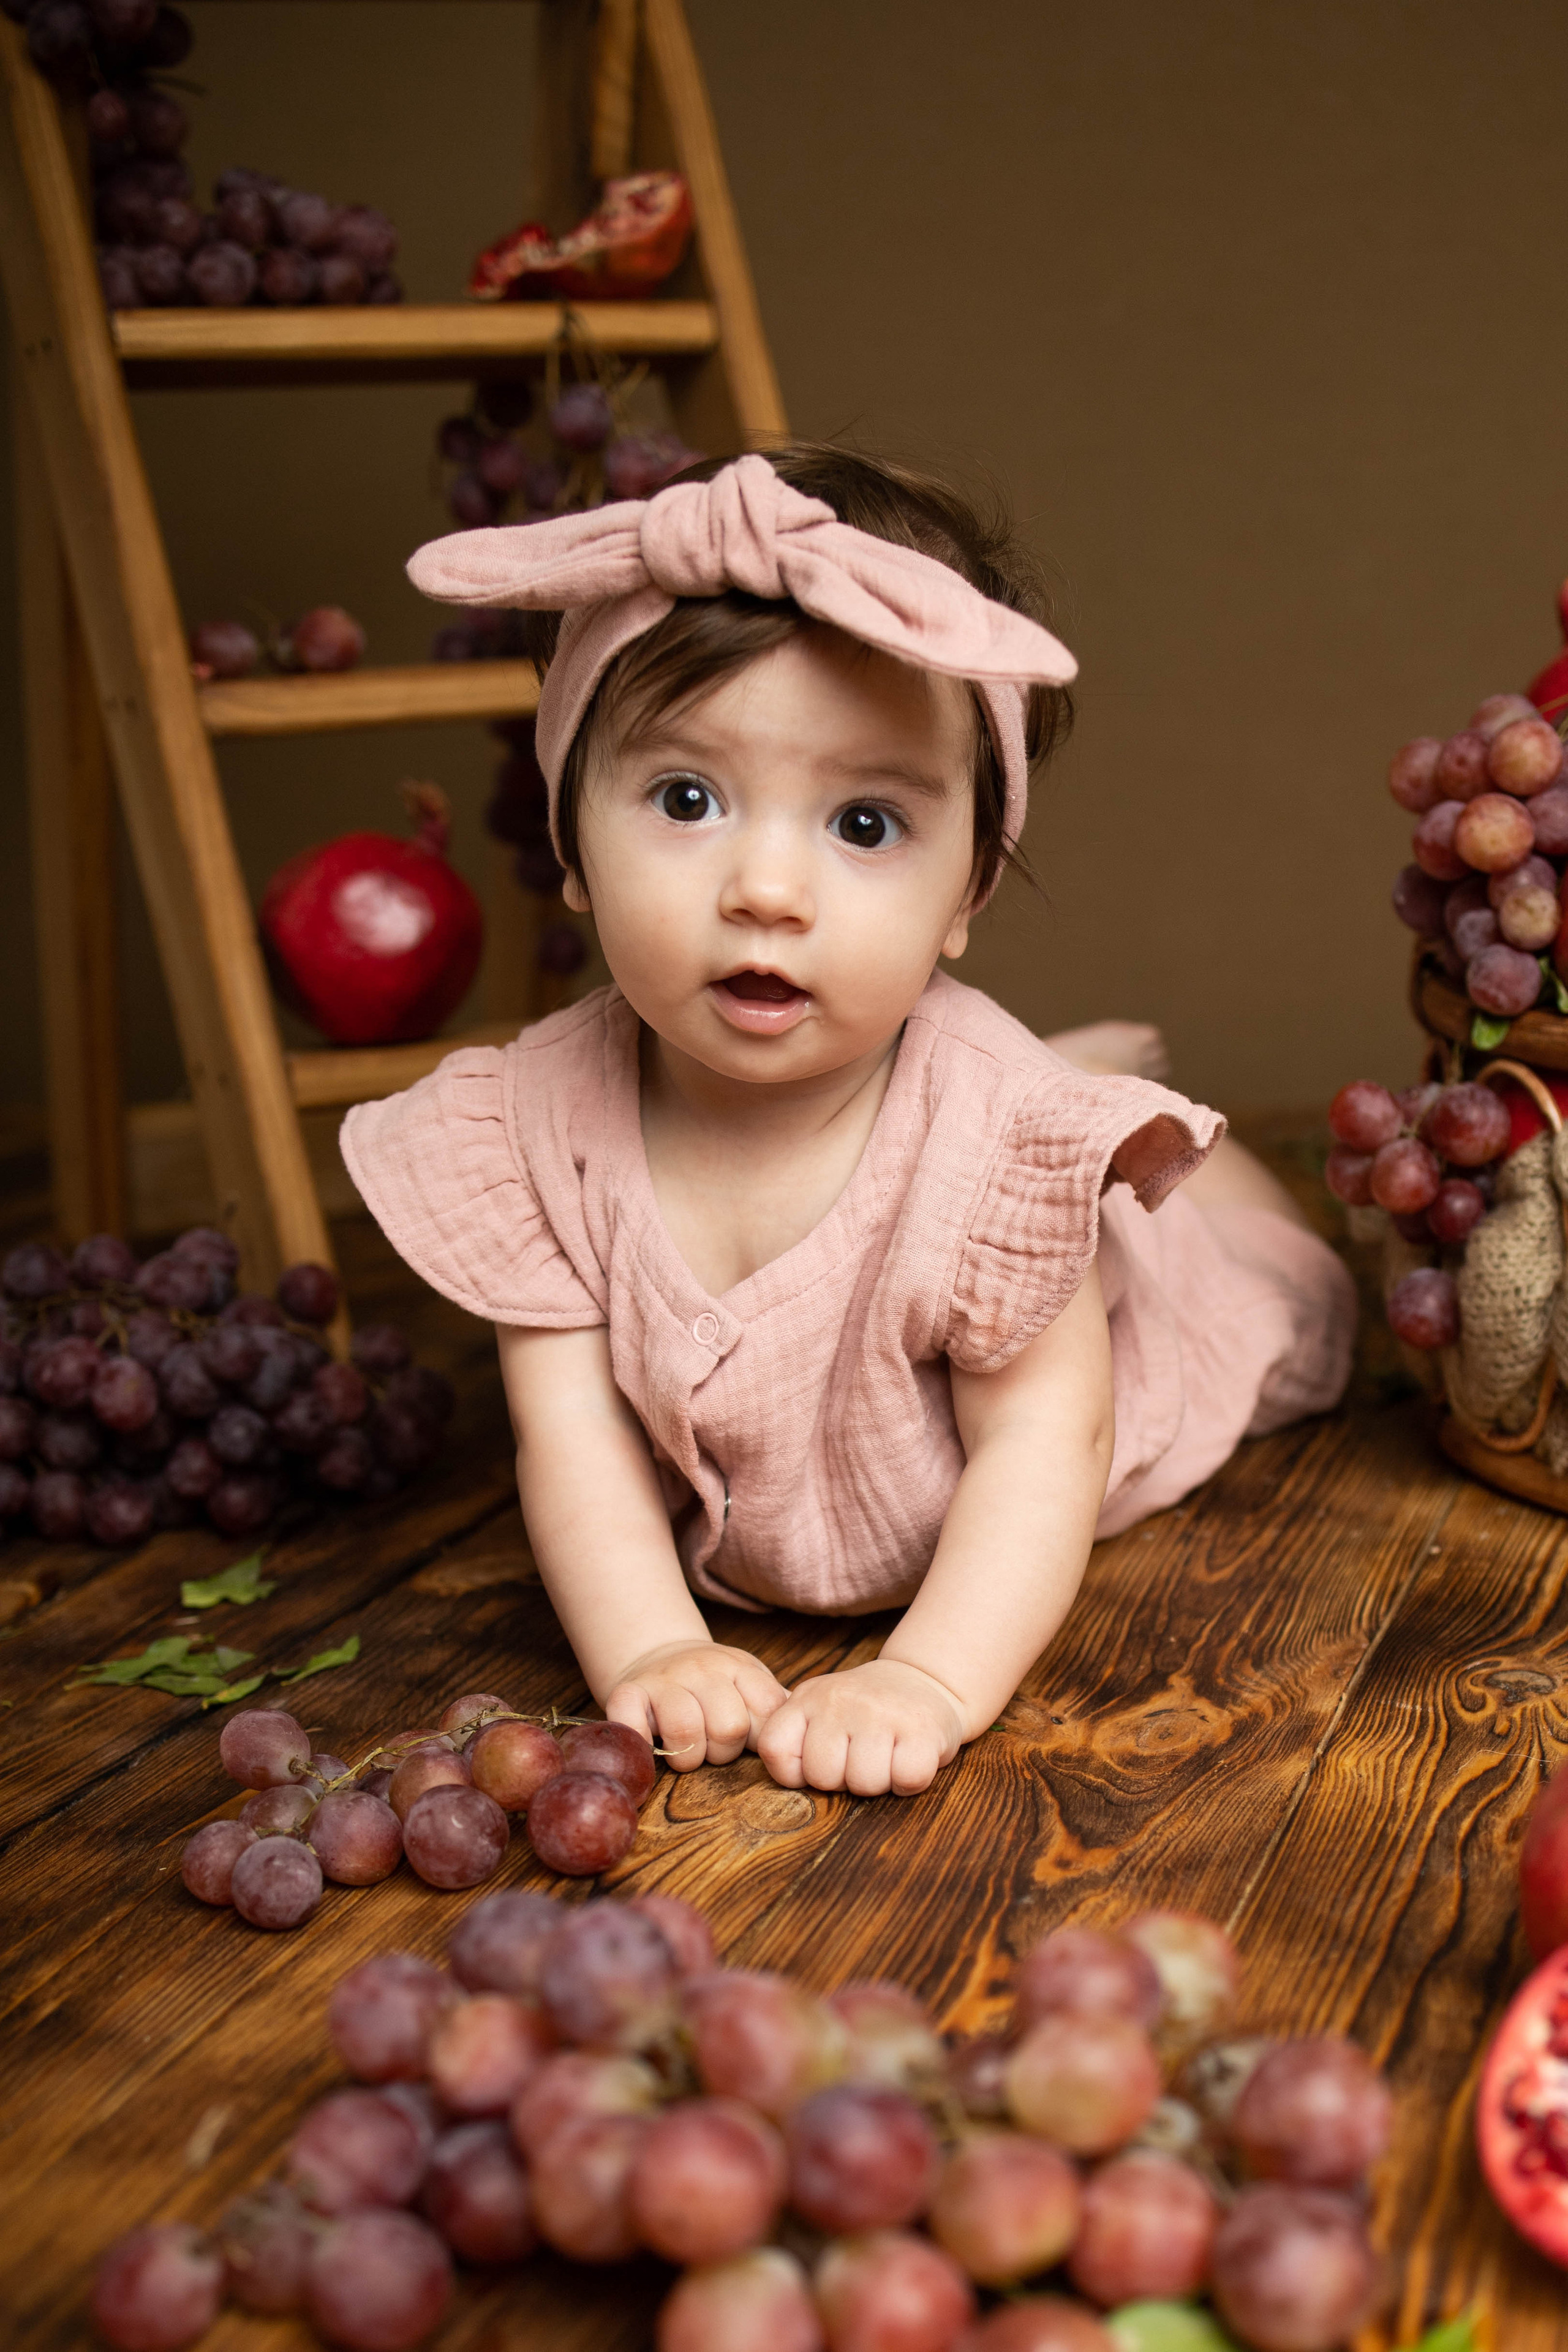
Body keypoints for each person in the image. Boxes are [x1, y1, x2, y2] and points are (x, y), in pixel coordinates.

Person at [343, 445, 1354, 1800]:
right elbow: (573, 1438)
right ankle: (1077, 1069)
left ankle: (1150, 1162)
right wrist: (653, 1644)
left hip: (1123, 1347)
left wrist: (927, 1676)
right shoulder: (538, 1126)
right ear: (571, 843)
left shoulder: (986, 1154)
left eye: (865, 823)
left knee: (1274, 1286)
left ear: (965, 896)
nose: (767, 888)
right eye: (687, 799)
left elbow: (1044, 1447)